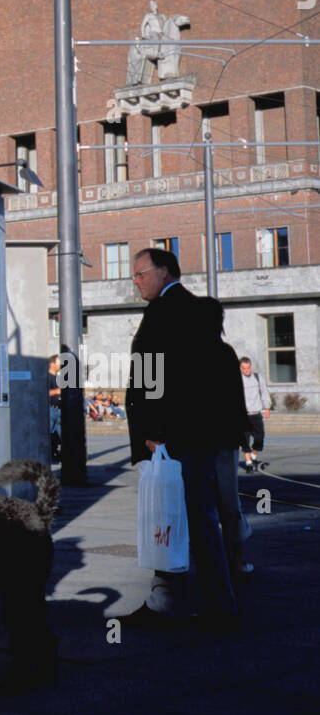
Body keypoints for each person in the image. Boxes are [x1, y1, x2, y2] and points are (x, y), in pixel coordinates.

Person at [119, 247, 247, 633]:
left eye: (140, 274)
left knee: (188, 517)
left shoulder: (162, 314)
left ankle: (212, 606)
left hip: (173, 439)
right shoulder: (200, 314)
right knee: (188, 516)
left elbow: (150, 380)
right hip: (201, 437)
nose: (136, 281)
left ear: (163, 272)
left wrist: (151, 434)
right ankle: (176, 599)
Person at [239, 357, 271, 472]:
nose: (246, 370)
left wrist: (267, 407)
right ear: (240, 368)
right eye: (244, 368)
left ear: (250, 366)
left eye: (248, 368)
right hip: (244, 415)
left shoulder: (257, 378)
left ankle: (253, 456)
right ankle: (248, 463)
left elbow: (264, 392)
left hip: (256, 414)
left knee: (259, 438)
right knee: (245, 440)